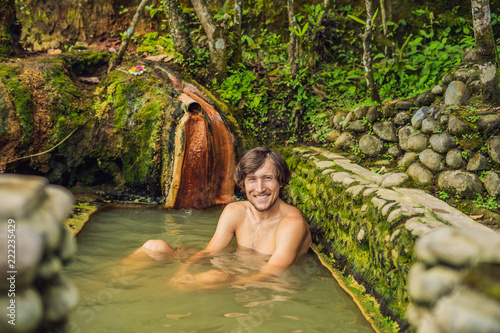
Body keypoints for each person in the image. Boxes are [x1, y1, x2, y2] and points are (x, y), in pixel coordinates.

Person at [124, 147, 312, 288]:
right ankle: (115, 280)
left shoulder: (291, 223)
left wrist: (229, 283)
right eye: (252, 179)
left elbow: (274, 271)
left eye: (268, 178)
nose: (260, 188)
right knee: (153, 246)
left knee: (215, 276)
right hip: (232, 265)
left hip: (257, 281)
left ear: (281, 181)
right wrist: (181, 271)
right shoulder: (235, 211)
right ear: (243, 184)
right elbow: (211, 251)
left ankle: (168, 297)